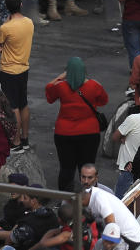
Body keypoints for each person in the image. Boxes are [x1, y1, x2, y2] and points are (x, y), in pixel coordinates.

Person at [45, 57, 109, 191]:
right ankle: (90, 197)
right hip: (89, 133)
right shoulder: (94, 85)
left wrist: (61, 76)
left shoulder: (61, 86)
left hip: (64, 133)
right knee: (87, 168)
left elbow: (49, 93)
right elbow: (104, 100)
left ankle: (65, 199)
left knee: (66, 168)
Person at [0, 0, 33, 151]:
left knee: (12, 106)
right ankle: (25, 138)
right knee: (23, 104)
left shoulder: (5, 28)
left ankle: (15, 142)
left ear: (7, 8)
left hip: (8, 71)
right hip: (24, 69)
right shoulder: (29, 23)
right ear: (21, 5)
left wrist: (0, 45)